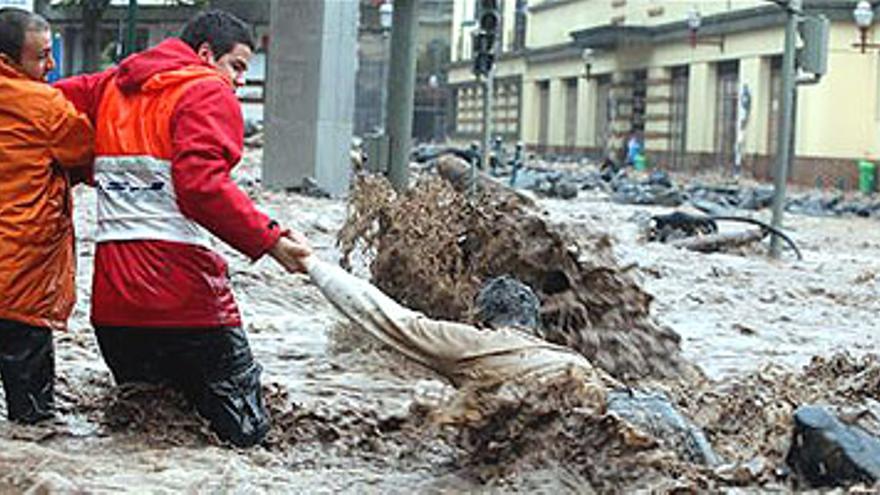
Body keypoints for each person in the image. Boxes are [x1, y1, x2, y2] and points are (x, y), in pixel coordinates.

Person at [55, 10, 311, 447]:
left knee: (139, 440)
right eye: (237, 66)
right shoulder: (207, 90)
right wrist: (270, 241)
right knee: (245, 441)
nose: (239, 82)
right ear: (206, 55)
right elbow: (201, 187)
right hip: (186, 299)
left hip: (115, 306)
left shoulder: (109, 86)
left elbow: (35, 105)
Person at [303, 255, 719, 465]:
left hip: (567, 432)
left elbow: (385, 316)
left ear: (483, 320)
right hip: (634, 410)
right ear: (534, 324)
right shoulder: (566, 355)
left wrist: (312, 265)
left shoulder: (475, 344)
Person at [0, 8, 93, 424]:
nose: (51, 65)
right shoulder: (45, 104)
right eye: (41, 56)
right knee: (33, 422)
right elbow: (86, 151)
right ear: (9, 58)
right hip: (20, 283)